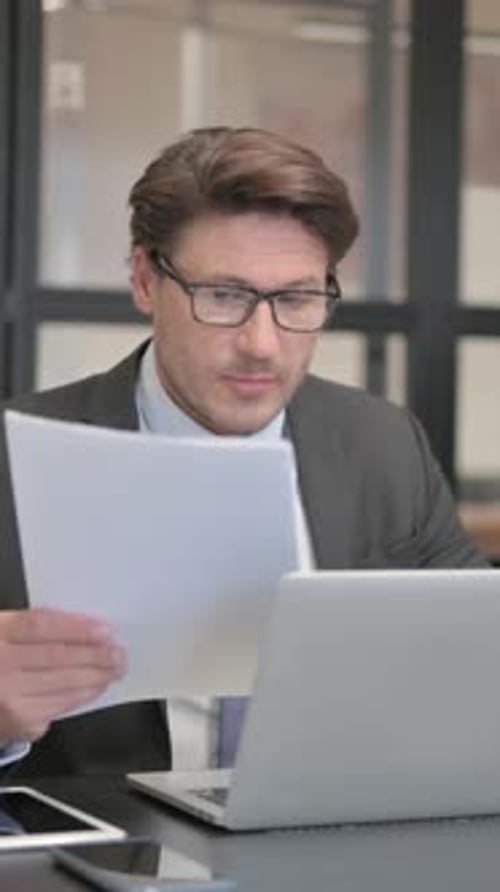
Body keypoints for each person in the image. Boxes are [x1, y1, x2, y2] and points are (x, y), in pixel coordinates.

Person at [0, 126, 488, 778]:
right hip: (99, 858)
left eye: (296, 299)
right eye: (224, 297)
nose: (262, 343)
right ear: (145, 280)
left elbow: (478, 664)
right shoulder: (15, 455)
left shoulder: (384, 443)